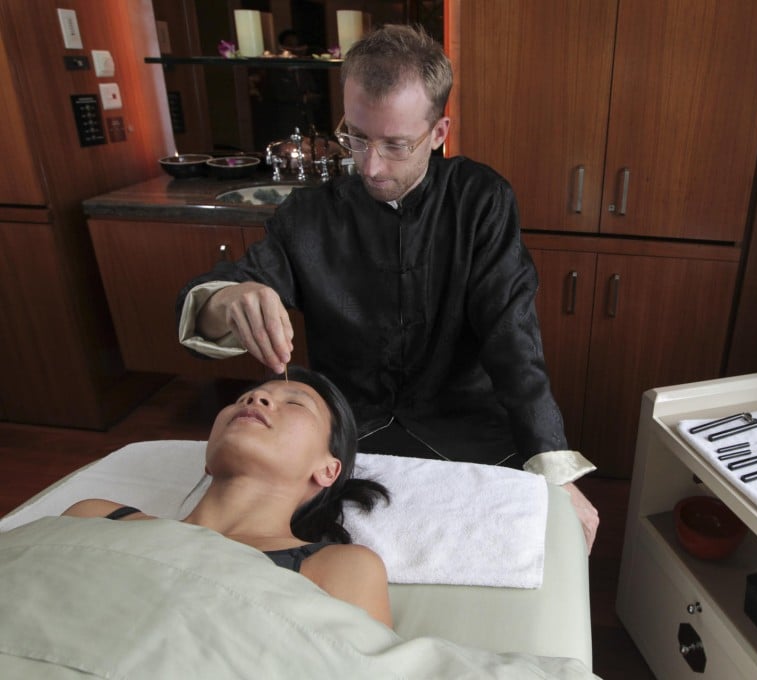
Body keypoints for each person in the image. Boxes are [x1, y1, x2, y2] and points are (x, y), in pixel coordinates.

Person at [176, 24, 599, 552]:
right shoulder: (308, 215)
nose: (370, 166)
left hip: (466, 428)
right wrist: (227, 300)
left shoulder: (480, 201)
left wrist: (555, 468)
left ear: (439, 133)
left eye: (396, 144)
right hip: (349, 432)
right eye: (355, 136)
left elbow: (512, 337)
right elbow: (229, 290)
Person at [63, 367, 393, 628]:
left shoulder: (339, 568)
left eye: (294, 402)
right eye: (244, 398)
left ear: (328, 470)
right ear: (208, 461)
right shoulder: (94, 517)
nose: (257, 398)